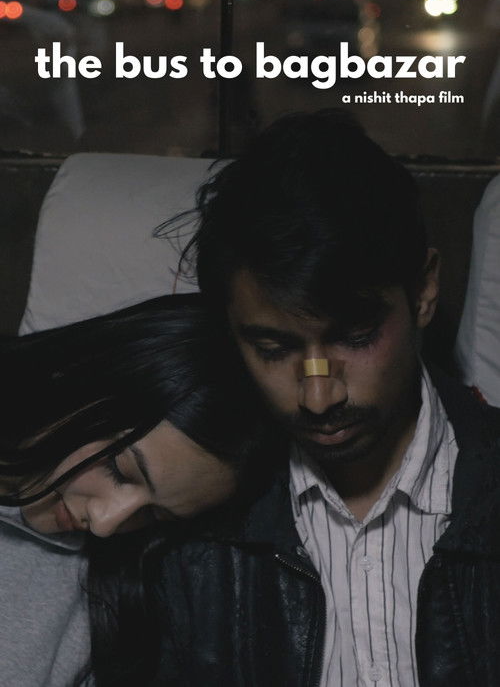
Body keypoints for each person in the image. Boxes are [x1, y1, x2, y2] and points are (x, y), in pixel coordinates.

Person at [152, 110, 500, 686]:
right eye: (272, 348)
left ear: (423, 291)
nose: (318, 397)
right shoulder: (192, 534)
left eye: (356, 337)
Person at [0, 294, 269, 687]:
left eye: (153, 514)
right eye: (118, 470)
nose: (105, 524)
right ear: (82, 381)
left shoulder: (103, 607)